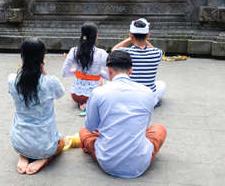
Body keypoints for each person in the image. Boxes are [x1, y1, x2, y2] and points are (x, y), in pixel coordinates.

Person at [79, 50, 167, 178]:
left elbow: (91, 127)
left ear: (109, 70)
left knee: (84, 132)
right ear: (131, 70)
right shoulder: (148, 92)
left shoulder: (99, 92)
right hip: (140, 164)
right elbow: (144, 127)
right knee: (160, 129)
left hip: (107, 162)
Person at [8, 37, 66, 175]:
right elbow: (61, 93)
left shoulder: (12, 80)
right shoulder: (50, 82)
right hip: (45, 145)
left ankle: (23, 155)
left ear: (22, 56)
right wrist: (43, 71)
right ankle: (44, 159)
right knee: (62, 142)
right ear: (42, 57)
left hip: (19, 142)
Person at [112, 18, 165, 106]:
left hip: (131, 97)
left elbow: (114, 50)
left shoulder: (125, 53)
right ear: (148, 35)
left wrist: (130, 39)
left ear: (131, 35)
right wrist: (143, 39)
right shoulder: (157, 53)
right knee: (162, 84)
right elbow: (153, 49)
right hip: (148, 98)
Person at [61, 22, 109, 116]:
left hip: (76, 95)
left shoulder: (73, 51)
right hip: (95, 95)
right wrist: (97, 73)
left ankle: (84, 104)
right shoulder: (101, 53)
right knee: (104, 83)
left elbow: (64, 73)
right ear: (96, 36)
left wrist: (79, 72)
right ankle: (90, 104)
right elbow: (109, 76)